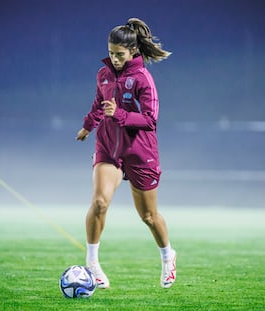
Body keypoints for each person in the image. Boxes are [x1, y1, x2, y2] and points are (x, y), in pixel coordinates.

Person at [76, 18, 176, 289]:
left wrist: (119, 114)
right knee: (99, 203)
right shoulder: (104, 74)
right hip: (109, 147)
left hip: (139, 151)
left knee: (148, 217)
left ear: (133, 52)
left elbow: (150, 120)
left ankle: (168, 256)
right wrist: (88, 126)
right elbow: (100, 103)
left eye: (119, 54)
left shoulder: (143, 79)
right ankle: (92, 264)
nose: (114, 59)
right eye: (111, 53)